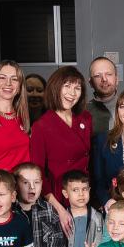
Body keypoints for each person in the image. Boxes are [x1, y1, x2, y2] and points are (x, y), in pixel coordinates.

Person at [29, 65, 95, 212]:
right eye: (67, 86)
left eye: (77, 88)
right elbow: (38, 172)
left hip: (83, 193)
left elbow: (89, 159)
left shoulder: (85, 118)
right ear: (56, 87)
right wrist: (58, 208)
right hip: (59, 197)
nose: (72, 93)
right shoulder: (41, 126)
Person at [16, 162, 68, 247]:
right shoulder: (10, 212)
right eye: (25, 182)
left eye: (36, 182)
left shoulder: (50, 211)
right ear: (16, 185)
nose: (32, 187)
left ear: (42, 183)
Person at [85, 56, 121, 134]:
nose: (104, 79)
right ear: (91, 83)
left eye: (109, 74)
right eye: (97, 76)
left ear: (117, 79)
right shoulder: (83, 113)